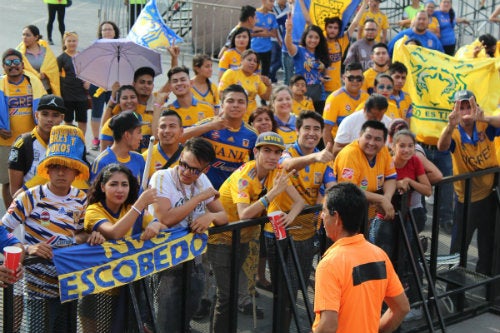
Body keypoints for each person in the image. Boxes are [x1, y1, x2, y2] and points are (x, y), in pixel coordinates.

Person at [1, 125, 104, 332]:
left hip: (70, 287)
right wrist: (28, 249)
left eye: (66, 167)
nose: (60, 172)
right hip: (37, 290)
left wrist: (91, 236)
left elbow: (79, 233)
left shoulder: (81, 198)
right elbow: (2, 229)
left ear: (76, 171)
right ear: (46, 169)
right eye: (55, 166)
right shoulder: (29, 196)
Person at [209, 131, 305, 332]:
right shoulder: (244, 176)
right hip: (222, 238)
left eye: (277, 152)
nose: (272, 156)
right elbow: (244, 214)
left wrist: (291, 216)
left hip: (243, 238)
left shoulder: (276, 172)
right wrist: (272, 194)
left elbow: (300, 201)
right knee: (226, 297)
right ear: (256, 151)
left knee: (234, 293)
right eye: (267, 151)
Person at [150, 137, 228, 332]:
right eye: (183, 164)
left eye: (194, 169)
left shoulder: (202, 179)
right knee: (166, 318)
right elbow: (166, 218)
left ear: (205, 169)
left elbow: (224, 216)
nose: (186, 172)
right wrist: (200, 197)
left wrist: (209, 216)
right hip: (165, 258)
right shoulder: (162, 177)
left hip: (193, 257)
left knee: (188, 309)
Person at [267, 111, 335, 331]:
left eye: (317, 129)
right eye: (307, 128)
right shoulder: (286, 154)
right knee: (280, 288)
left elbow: (332, 187)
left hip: (305, 234)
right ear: (297, 131)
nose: (312, 133)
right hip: (277, 232)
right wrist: (315, 157)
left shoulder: (324, 160)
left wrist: (330, 202)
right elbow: (286, 166)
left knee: (294, 287)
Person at [312, 182, 409, 333]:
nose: (322, 216)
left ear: (336, 217)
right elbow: (401, 308)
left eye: (324, 211)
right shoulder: (378, 255)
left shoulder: (329, 264)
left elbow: (328, 325)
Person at [81, 163, 161, 332]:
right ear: (102, 187)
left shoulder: (129, 208)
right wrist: (139, 204)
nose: (120, 190)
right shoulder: (93, 211)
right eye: (113, 184)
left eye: (124, 185)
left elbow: (155, 222)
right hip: (99, 291)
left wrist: (155, 225)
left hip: (128, 290)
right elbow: (114, 233)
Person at [437, 90, 500, 275]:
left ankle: (486, 285)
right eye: (461, 107)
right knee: (459, 245)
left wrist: (485, 117)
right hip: (467, 198)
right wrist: (450, 126)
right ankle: (453, 287)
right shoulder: (453, 131)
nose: (465, 111)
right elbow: (442, 146)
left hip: (490, 193)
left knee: (488, 242)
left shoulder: (483, 124)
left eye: (468, 106)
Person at [183, 84, 258, 190]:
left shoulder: (252, 135)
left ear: (246, 107)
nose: (235, 105)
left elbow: (256, 166)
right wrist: (210, 126)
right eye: (230, 101)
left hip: (232, 193)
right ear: (222, 105)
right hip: (201, 189)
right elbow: (179, 136)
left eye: (240, 102)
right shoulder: (209, 124)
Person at [0, 48, 46, 209]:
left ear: (22, 64)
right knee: (7, 181)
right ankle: (10, 215)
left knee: (31, 178)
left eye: (16, 62)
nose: (13, 66)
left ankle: (31, 212)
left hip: (31, 141)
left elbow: (45, 108)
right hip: (6, 142)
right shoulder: (0, 85)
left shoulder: (33, 83)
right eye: (8, 62)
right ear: (3, 66)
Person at [333, 120, 397, 220]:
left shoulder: (383, 150)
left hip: (368, 215)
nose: (371, 143)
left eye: (377, 139)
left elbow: (390, 178)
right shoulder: (349, 154)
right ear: (360, 136)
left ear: (384, 142)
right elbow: (349, 190)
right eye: (368, 137)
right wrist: (380, 199)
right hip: (344, 215)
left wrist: (387, 198)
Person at [8, 94, 66, 196]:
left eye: (55, 115)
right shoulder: (22, 144)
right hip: (31, 204)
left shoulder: (69, 142)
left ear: (62, 118)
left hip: (62, 205)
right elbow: (15, 192)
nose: (49, 119)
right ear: (36, 115)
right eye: (45, 114)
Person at [285, 19, 331, 113]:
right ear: (305, 37)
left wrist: (324, 78)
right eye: (310, 37)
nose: (313, 40)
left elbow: (324, 73)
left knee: (317, 120)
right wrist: (288, 31)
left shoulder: (322, 53)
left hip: (319, 93)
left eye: (316, 37)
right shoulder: (299, 51)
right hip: (302, 92)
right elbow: (289, 45)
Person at [91, 111, 146, 184]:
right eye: (139, 132)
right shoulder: (102, 162)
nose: (141, 137)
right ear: (127, 135)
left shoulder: (139, 159)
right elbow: (95, 193)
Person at [89, 21, 120, 150]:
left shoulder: (120, 46)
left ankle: (110, 135)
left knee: (113, 111)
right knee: (96, 112)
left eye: (110, 29)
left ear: (115, 32)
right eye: (104, 30)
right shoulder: (95, 47)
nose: (107, 32)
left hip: (114, 84)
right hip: (98, 82)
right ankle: (96, 138)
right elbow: (89, 64)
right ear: (100, 33)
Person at [323, 62, 369, 146]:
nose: (355, 81)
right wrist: (332, 152)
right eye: (351, 78)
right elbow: (326, 129)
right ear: (344, 78)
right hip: (341, 147)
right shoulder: (334, 98)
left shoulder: (367, 98)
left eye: (358, 78)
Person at [219, 50, 272, 120]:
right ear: (241, 60)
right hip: (234, 114)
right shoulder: (231, 73)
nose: (252, 63)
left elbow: (266, 97)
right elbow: (221, 94)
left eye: (255, 61)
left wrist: (268, 85)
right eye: (249, 60)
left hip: (251, 116)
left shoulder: (256, 78)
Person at [323, 7, 365, 95]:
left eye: (335, 28)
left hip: (336, 89)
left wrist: (364, 4)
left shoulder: (342, 41)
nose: (332, 30)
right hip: (321, 89)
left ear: (339, 30)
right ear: (325, 28)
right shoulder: (318, 41)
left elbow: (355, 23)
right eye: (330, 27)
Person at [99, 85, 154, 151]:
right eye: (125, 98)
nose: (129, 101)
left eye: (132, 97)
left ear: (138, 100)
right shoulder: (110, 123)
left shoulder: (149, 120)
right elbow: (104, 153)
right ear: (119, 102)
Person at [57, 31, 89, 134]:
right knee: (68, 121)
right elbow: (56, 77)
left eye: (74, 41)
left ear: (77, 42)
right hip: (67, 95)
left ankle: (81, 142)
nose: (71, 43)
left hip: (81, 94)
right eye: (69, 41)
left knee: (82, 121)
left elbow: (89, 72)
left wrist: (88, 82)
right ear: (64, 43)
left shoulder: (82, 56)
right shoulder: (61, 59)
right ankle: (69, 143)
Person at [17, 25, 60, 96]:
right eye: (23, 35)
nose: (24, 37)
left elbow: (53, 68)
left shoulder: (46, 51)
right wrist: (37, 75)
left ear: (36, 37)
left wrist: (46, 73)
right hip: (29, 91)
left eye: (28, 35)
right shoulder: (20, 53)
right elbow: (17, 71)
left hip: (46, 89)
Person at [142, 110, 183, 180]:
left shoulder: (189, 156)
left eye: (172, 126)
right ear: (157, 131)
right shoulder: (145, 158)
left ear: (181, 131)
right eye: (163, 126)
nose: (167, 131)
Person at [252, 0, 278, 77]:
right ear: (263, 1)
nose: (273, 4)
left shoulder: (272, 16)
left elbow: (274, 34)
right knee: (252, 72)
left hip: (267, 49)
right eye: (271, 1)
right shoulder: (254, 14)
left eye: (273, 2)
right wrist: (263, 31)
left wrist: (258, 32)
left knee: (264, 74)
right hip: (254, 48)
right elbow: (250, 32)